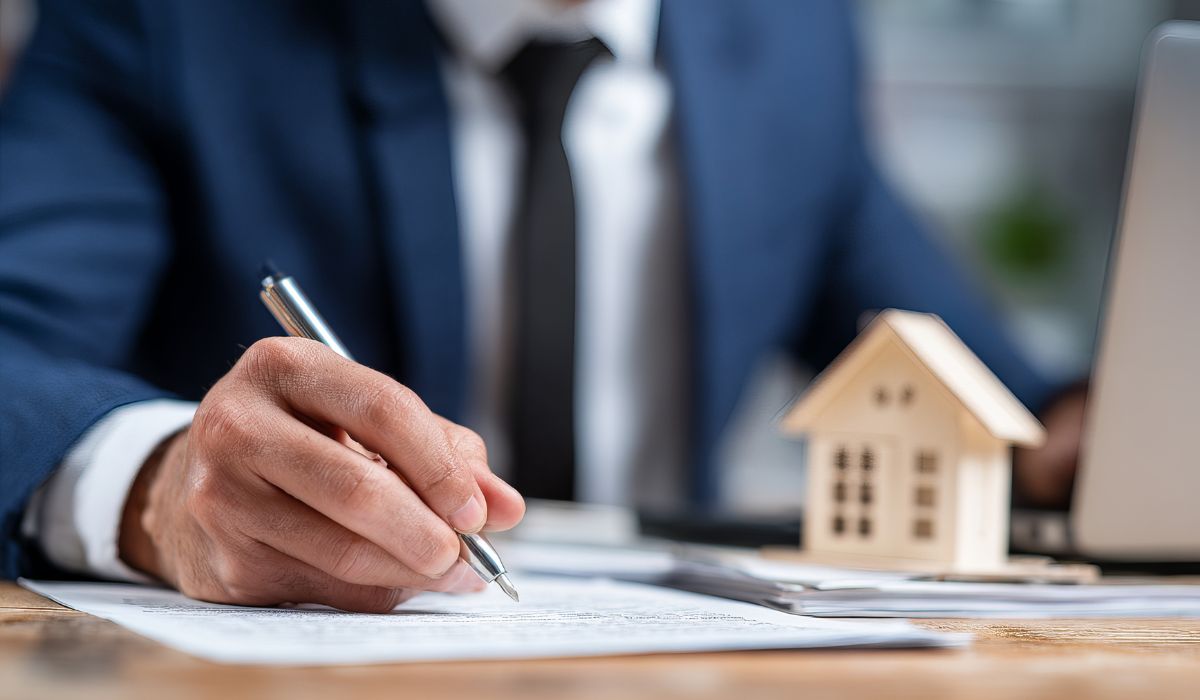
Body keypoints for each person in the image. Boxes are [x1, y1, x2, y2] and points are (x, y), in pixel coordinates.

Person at [0, 0, 1083, 611]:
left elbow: (988, 396)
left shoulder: (790, 37)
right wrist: (158, 487)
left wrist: (1102, 441)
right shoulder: (166, 23)